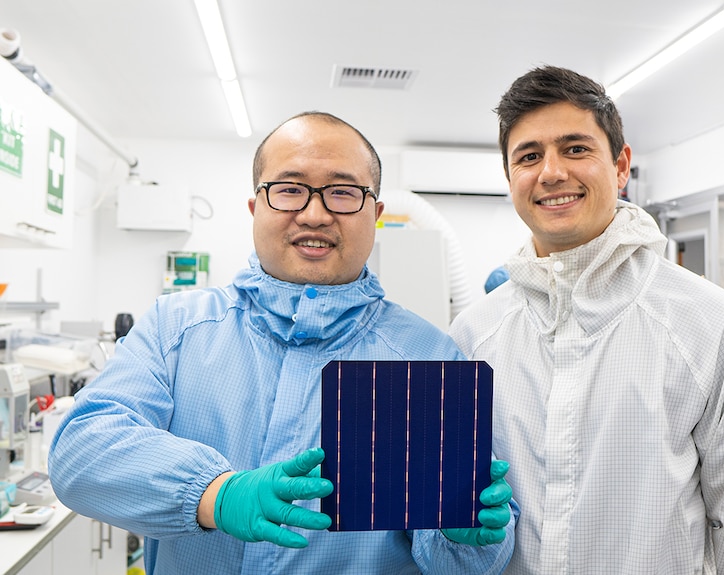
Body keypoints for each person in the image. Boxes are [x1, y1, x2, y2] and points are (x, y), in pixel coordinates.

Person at [49, 111, 516, 574]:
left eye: (342, 193)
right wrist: (215, 494)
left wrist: (463, 540)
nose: (315, 214)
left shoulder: (425, 357)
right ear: (256, 207)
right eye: (290, 189)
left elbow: (466, 560)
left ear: (374, 215)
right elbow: (81, 451)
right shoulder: (176, 329)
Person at [449, 66, 724, 574]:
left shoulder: (710, 323)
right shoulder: (472, 335)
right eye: (529, 156)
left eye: (576, 149)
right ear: (510, 177)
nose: (551, 172)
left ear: (620, 167)